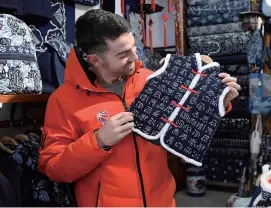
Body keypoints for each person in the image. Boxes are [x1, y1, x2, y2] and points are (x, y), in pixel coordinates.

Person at [38, 9, 241, 207]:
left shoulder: (149, 79)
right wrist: (98, 142)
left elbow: (183, 125)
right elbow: (53, 168)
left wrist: (219, 103)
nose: (135, 57)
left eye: (133, 47)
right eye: (123, 53)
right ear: (95, 60)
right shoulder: (63, 100)